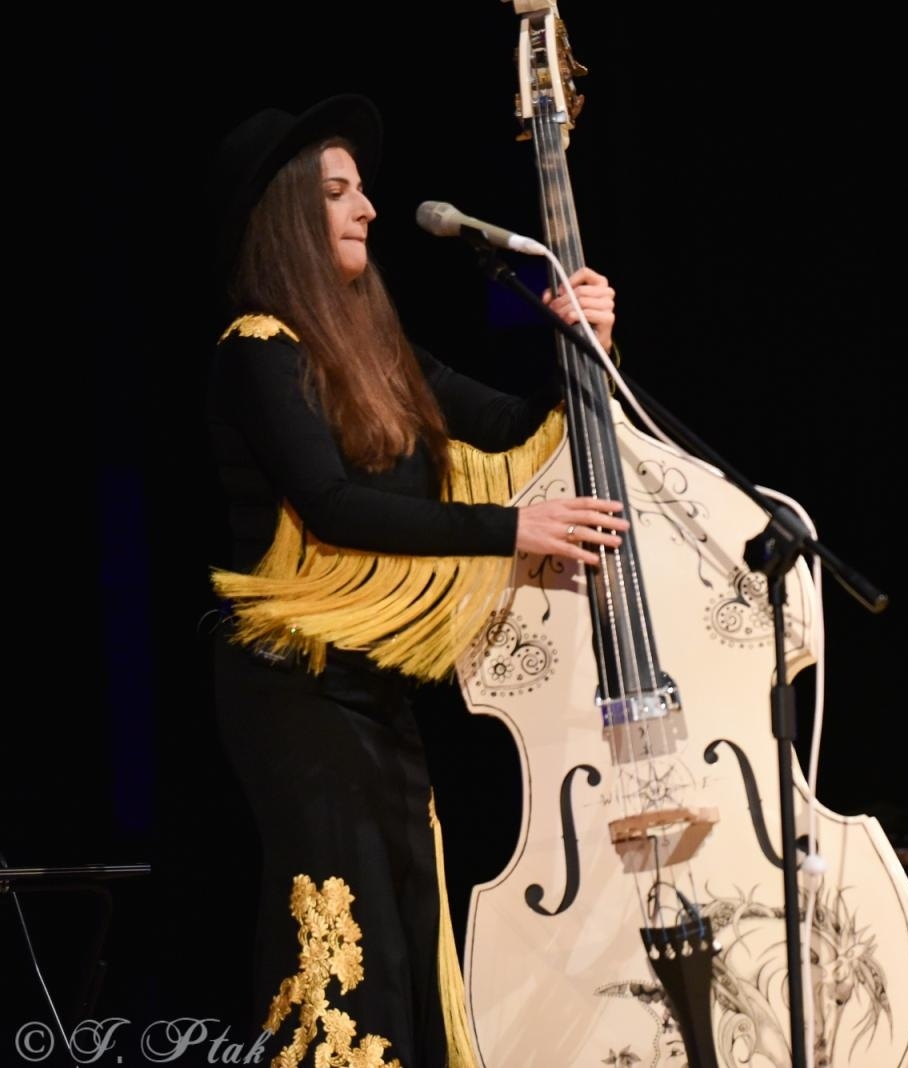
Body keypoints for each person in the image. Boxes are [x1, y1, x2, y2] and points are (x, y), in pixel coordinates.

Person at [207, 94, 626, 1068]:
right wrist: (513, 529)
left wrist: (579, 341)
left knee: (403, 932)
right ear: (282, 217)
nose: (367, 210)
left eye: (362, 191)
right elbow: (334, 505)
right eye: (338, 193)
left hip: (378, 693)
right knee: (342, 936)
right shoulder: (257, 351)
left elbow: (522, 431)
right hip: (292, 688)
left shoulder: (382, 359)